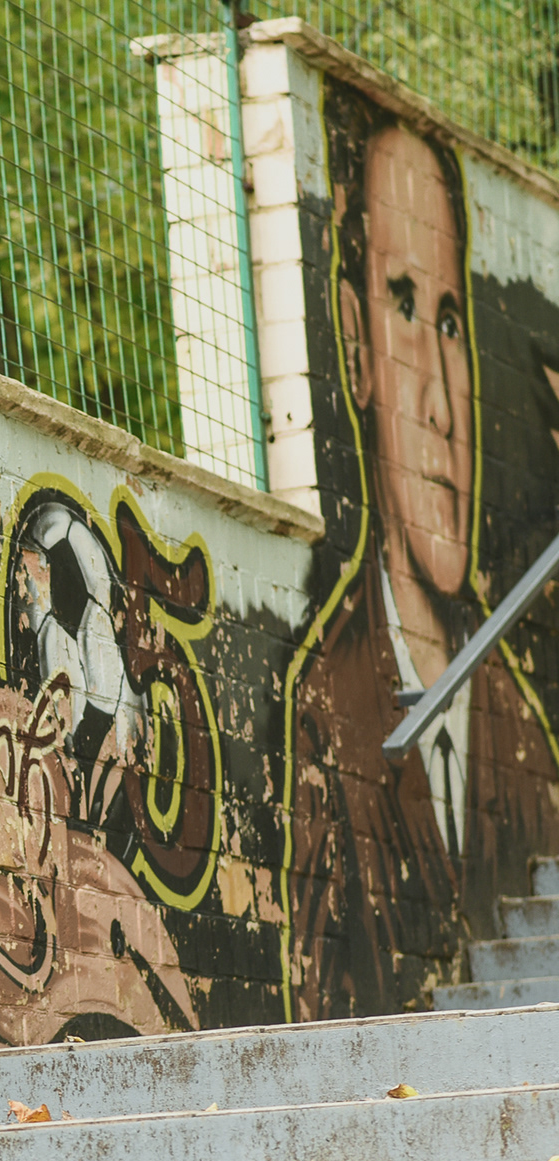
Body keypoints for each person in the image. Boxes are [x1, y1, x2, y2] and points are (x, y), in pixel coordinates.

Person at [287, 101, 559, 1018]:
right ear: (355, 344)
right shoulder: (323, 718)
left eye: (450, 323)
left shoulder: (523, 737)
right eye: (404, 305)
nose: (442, 405)